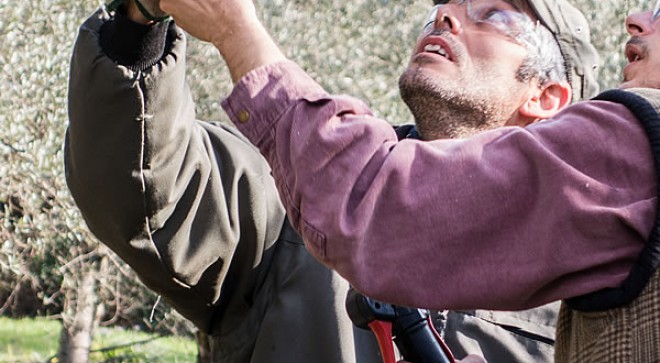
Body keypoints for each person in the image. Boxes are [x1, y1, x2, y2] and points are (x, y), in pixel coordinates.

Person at [65, 0, 598, 362]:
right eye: (446, 5)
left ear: (545, 98)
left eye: (496, 14)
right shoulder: (301, 181)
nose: (448, 17)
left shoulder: (592, 279)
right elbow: (144, 183)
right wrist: (138, 24)